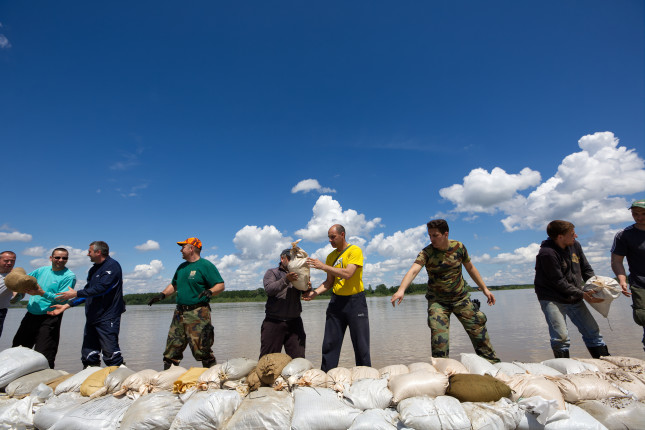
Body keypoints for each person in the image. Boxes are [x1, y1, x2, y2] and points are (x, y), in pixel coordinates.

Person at [391, 219, 500, 363]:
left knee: (479, 331)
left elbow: (471, 268)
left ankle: (493, 366)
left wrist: (485, 289)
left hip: (461, 299)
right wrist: (401, 290)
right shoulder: (427, 252)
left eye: (435, 235)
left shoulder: (459, 247)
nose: (431, 239)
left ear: (445, 234)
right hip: (438, 303)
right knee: (439, 339)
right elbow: (414, 270)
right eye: (429, 235)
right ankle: (442, 372)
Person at [534, 220, 608, 358]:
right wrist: (583, 294)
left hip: (573, 295)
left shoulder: (575, 246)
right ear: (560, 237)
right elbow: (558, 282)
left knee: (593, 332)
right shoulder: (547, 253)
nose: (576, 236)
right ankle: (565, 372)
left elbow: (586, 269)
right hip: (552, 297)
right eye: (572, 234)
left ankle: (606, 363)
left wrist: (596, 284)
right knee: (561, 338)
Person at [148, 237, 224, 369]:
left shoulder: (205, 265)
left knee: (202, 348)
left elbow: (220, 285)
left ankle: (212, 378)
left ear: (192, 248)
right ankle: (168, 377)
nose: (181, 250)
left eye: (183, 247)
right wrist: (162, 295)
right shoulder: (181, 267)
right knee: (172, 347)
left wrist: (210, 291)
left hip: (198, 313)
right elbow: (174, 285)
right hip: (179, 313)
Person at [304, 224, 370, 372]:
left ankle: (366, 377)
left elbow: (348, 274)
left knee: (361, 345)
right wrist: (314, 293)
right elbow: (329, 282)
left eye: (333, 237)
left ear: (342, 235)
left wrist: (323, 267)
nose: (330, 240)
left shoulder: (355, 251)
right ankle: (326, 376)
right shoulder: (330, 256)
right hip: (336, 302)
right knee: (329, 343)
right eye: (328, 237)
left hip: (355, 302)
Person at [50, 241, 126, 368]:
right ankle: (91, 375)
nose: (87, 254)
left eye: (89, 251)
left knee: (111, 353)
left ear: (98, 252)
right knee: (89, 354)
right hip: (92, 317)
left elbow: (103, 288)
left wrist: (75, 294)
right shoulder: (93, 269)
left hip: (108, 316)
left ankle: (120, 377)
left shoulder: (112, 266)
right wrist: (67, 305)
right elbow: (87, 293)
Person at [12, 248, 76, 368]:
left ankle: (46, 382)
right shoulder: (41, 270)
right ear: (51, 258)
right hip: (30, 315)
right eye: (57, 257)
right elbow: (24, 281)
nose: (61, 260)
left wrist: (42, 293)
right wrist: (18, 292)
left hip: (50, 317)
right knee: (18, 348)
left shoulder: (69, 276)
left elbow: (62, 299)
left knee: (45, 353)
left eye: (64, 258)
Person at [260, 248, 309, 359]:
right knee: (268, 359)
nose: (293, 261)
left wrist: (308, 288)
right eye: (291, 258)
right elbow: (270, 290)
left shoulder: (299, 273)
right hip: (273, 322)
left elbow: (306, 294)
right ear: (282, 259)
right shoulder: (272, 272)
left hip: (295, 322)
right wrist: (286, 279)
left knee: (298, 359)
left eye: (295, 259)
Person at [611, 199, 645, 352]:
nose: (639, 217)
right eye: (635, 214)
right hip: (640, 284)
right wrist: (622, 280)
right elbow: (617, 261)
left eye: (643, 214)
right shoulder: (624, 235)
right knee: (643, 318)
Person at [0, 251, 17, 338]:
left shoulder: (14, 276)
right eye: (6, 261)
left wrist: (17, 296)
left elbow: (16, 290)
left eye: (12, 261)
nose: (9, 263)